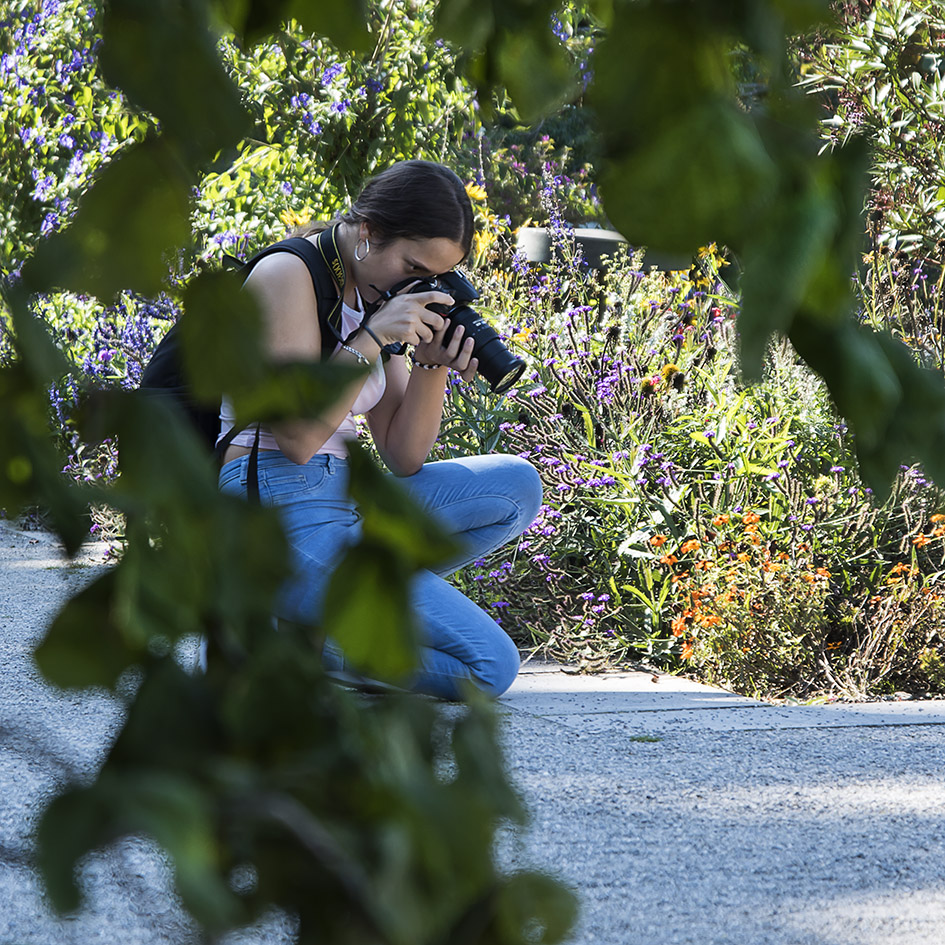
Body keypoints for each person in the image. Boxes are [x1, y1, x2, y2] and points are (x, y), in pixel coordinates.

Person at [217, 160, 542, 700]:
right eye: (413, 266)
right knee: (490, 666)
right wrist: (369, 338)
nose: (418, 285)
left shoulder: (376, 294)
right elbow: (296, 439)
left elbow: (402, 455)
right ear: (368, 232)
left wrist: (432, 365)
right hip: (275, 509)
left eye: (433, 277)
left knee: (516, 488)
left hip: (348, 497)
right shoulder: (287, 275)